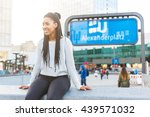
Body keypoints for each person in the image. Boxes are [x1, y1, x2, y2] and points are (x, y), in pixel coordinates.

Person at [19, 12, 91, 100]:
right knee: (30, 98)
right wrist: (30, 83)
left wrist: (78, 85)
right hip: (43, 77)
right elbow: (37, 65)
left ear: (55, 25)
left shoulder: (65, 42)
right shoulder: (41, 43)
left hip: (61, 78)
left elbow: (70, 66)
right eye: (43, 24)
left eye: (47, 24)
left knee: (52, 99)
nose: (44, 27)